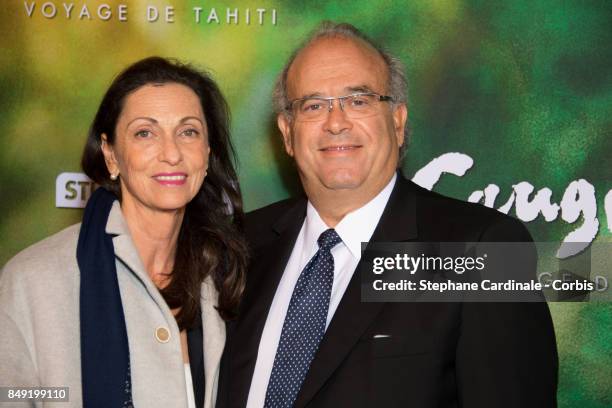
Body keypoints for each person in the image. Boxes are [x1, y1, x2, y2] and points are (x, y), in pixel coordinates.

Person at [218, 22, 558, 407]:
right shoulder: (239, 245)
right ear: (287, 133)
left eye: (359, 100)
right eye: (313, 105)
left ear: (397, 122)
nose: (336, 122)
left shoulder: (483, 251)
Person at [0, 57, 248, 408]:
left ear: (206, 154)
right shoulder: (34, 279)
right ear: (111, 154)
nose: (171, 153)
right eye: (145, 133)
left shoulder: (225, 278)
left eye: (188, 131)